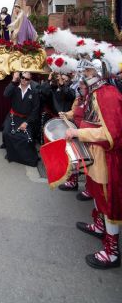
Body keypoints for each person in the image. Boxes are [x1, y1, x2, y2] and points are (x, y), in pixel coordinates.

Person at [65, 59, 122, 269]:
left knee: (108, 203)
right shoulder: (95, 92)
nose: (84, 74)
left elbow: (112, 134)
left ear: (98, 71)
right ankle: (99, 228)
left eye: (88, 70)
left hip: (105, 155)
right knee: (98, 194)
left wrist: (78, 132)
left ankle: (112, 252)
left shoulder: (107, 94)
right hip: (95, 152)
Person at [58, 78, 92, 198]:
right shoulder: (79, 98)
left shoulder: (92, 99)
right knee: (74, 158)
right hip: (75, 130)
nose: (80, 87)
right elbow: (74, 111)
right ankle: (73, 182)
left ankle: (90, 189)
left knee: (90, 163)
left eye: (82, 85)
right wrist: (66, 114)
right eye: (80, 84)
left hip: (87, 133)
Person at [2, 71, 40, 166]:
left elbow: (35, 110)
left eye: (26, 79)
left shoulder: (34, 92)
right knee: (7, 133)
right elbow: (5, 94)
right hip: (13, 116)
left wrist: (26, 123)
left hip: (26, 119)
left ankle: (23, 157)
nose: (23, 80)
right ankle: (11, 154)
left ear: (30, 80)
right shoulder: (14, 87)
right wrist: (13, 80)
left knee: (26, 138)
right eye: (22, 77)